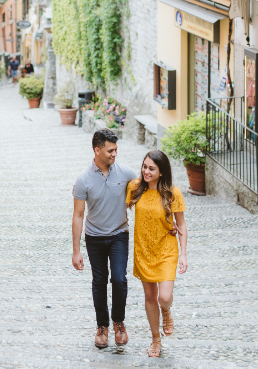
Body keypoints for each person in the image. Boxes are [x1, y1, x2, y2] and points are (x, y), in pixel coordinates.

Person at [72, 129, 138, 349]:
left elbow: (146, 189)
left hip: (119, 234)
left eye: (116, 150)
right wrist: (76, 250)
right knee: (99, 282)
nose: (114, 154)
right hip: (95, 237)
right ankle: (102, 326)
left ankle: (118, 322)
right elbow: (78, 215)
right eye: (110, 150)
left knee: (119, 279)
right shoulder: (83, 180)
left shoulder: (126, 173)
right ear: (97, 150)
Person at [126, 150, 188, 358]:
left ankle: (167, 310)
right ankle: (155, 339)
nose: (146, 171)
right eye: (144, 166)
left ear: (162, 172)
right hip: (143, 250)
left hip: (166, 250)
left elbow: (181, 225)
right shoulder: (135, 188)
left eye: (151, 168)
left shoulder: (173, 193)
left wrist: (184, 254)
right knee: (150, 296)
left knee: (164, 296)